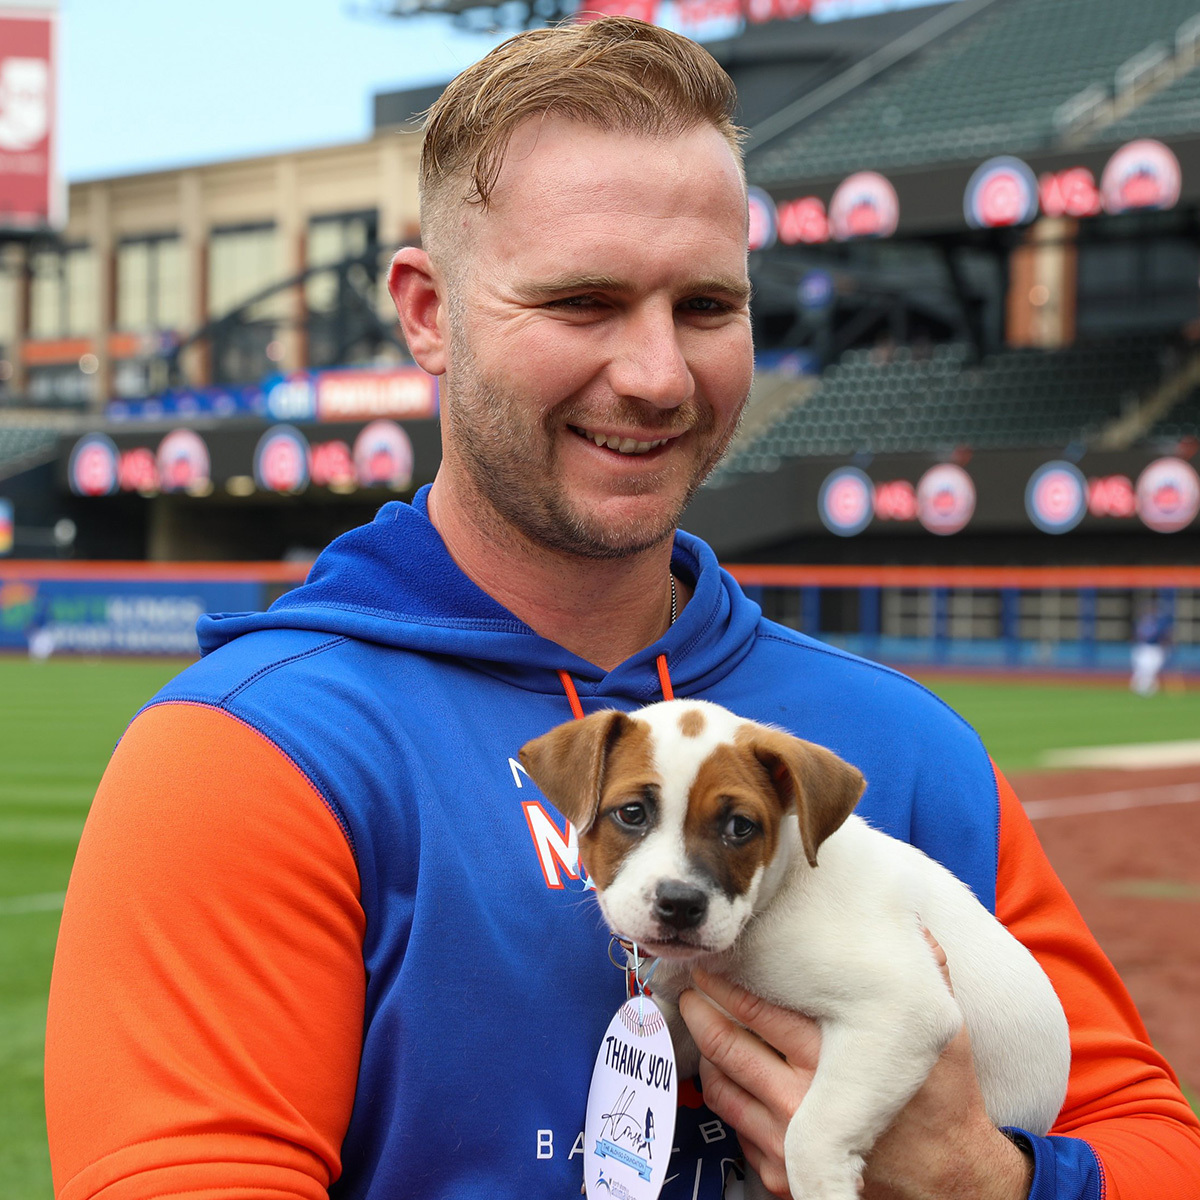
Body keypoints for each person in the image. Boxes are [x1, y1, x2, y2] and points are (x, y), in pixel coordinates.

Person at [45, 18, 1200, 1200]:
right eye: (584, 301)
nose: (656, 374)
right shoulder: (247, 759)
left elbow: (1149, 1140)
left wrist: (988, 1184)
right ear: (428, 311)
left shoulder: (899, 747)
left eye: (706, 306)